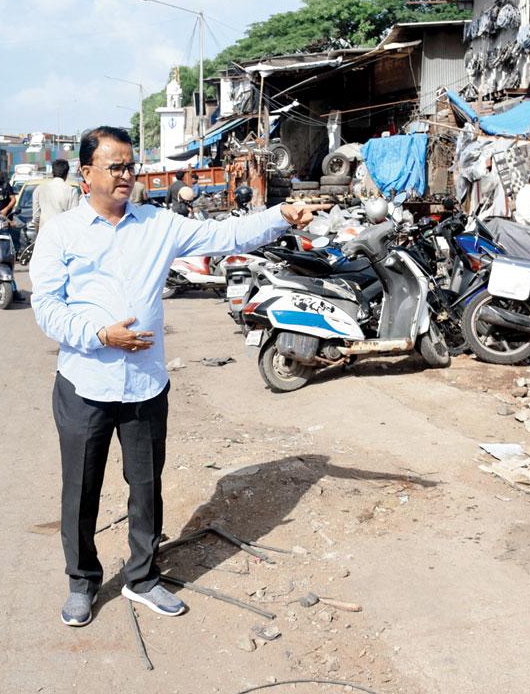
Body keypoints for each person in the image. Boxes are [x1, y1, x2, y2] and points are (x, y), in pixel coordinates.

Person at [29, 126, 326, 627]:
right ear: (86, 174)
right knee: (81, 489)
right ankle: (82, 582)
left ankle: (143, 578)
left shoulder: (157, 224)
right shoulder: (62, 232)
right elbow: (45, 306)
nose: (127, 176)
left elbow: (225, 234)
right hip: (85, 384)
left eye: (131, 166)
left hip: (145, 385)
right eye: (116, 167)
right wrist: (99, 335)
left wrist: (280, 216)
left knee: (146, 486)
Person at [31, 159, 82, 229]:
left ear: (52, 172)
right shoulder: (72, 191)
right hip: (63, 232)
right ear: (66, 173)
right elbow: (74, 216)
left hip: (45, 231)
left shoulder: (39, 189)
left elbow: (36, 216)